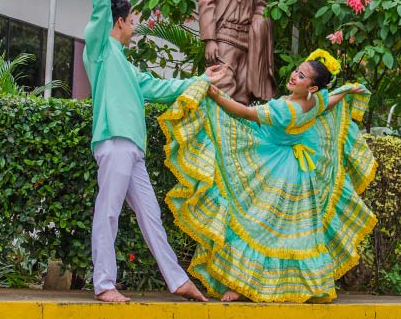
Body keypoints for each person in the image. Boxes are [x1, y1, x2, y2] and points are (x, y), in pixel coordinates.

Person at [158, 49, 377, 302]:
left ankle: (241, 284)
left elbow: (244, 113)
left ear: (312, 88)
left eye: (302, 76)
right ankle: (294, 284)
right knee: (286, 229)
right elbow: (331, 101)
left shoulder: (286, 109)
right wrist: (346, 91)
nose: (294, 76)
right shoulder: (316, 101)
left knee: (255, 223)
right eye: (297, 70)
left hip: (275, 165)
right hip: (299, 170)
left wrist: (213, 93)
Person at [83, 0, 225, 302]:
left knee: (151, 217)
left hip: (132, 150)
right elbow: (99, 6)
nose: (134, 27)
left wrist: (202, 80)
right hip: (113, 143)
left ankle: (177, 280)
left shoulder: (127, 68)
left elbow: (163, 89)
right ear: (119, 23)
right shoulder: (98, 51)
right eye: (131, 21)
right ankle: (104, 285)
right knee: (108, 214)